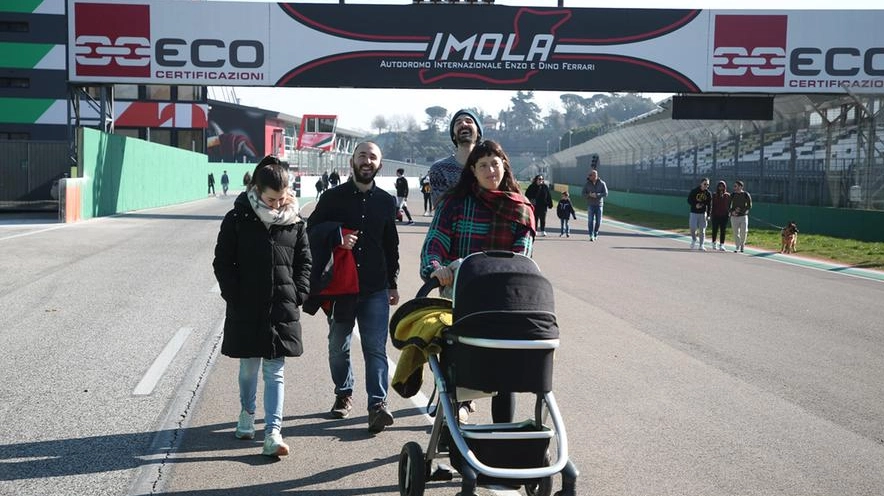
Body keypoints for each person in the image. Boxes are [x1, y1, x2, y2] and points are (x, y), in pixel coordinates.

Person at [420, 140, 535, 424]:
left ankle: (504, 434)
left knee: (506, 367)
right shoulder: (454, 204)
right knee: (460, 361)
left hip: (504, 300)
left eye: (494, 163)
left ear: (504, 166)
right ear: (472, 170)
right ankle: (450, 427)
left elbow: (522, 255)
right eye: (482, 165)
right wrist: (437, 268)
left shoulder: (521, 209)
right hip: (460, 296)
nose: (489, 170)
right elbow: (435, 242)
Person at [212, 155, 312, 457]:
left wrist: (298, 294)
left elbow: (304, 262)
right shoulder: (237, 218)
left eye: (282, 199)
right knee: (248, 368)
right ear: (256, 189)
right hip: (246, 306)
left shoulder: (295, 222)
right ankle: (246, 414)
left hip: (282, 308)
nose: (278, 205)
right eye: (271, 199)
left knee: (275, 371)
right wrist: (234, 294)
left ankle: (272, 432)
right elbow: (222, 262)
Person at [306, 141, 401, 433]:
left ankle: (377, 406)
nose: (367, 160)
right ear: (352, 161)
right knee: (338, 347)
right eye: (362, 155)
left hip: (374, 288)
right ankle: (344, 393)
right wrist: (337, 235)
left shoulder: (386, 201)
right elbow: (310, 231)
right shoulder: (332, 197)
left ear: (379, 165)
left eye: (373, 157)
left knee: (375, 348)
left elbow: (391, 246)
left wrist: (392, 284)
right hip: (342, 288)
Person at [428, 109, 483, 205]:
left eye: (469, 121)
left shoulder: (490, 167)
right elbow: (442, 208)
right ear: (453, 135)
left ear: (478, 132)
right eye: (458, 123)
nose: (463, 124)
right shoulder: (439, 169)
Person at [581, 169, 608, 241]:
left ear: (596, 175)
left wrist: (597, 195)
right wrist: (589, 195)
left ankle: (596, 232)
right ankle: (591, 235)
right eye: (591, 175)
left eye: (593, 175)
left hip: (599, 205)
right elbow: (583, 194)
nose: (591, 177)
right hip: (591, 205)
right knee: (590, 221)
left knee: (598, 221)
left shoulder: (602, 183)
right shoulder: (587, 184)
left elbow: (606, 193)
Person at [686, 177, 712, 251]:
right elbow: (689, 200)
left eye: (708, 184)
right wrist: (695, 205)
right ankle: (694, 239)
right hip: (694, 212)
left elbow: (710, 205)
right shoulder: (694, 191)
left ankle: (701, 245)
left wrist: (709, 215)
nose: (706, 186)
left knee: (702, 230)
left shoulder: (708, 193)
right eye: (705, 184)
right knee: (692, 227)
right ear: (701, 183)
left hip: (703, 213)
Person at [730, 180, 752, 253]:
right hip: (734, 217)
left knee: (744, 232)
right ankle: (737, 246)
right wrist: (732, 212)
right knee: (735, 232)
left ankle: (742, 245)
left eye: (736, 186)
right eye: (734, 186)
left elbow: (749, 206)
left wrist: (742, 210)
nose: (735, 188)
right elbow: (728, 205)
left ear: (741, 187)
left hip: (743, 217)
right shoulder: (732, 195)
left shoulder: (746, 194)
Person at [710, 180, 731, 251]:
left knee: (723, 230)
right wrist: (711, 214)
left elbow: (729, 205)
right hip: (715, 215)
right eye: (720, 186)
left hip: (724, 216)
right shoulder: (714, 195)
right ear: (717, 187)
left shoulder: (727, 195)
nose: (721, 188)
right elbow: (712, 205)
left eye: (723, 186)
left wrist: (729, 213)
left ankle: (722, 245)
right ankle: (713, 243)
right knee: (714, 230)